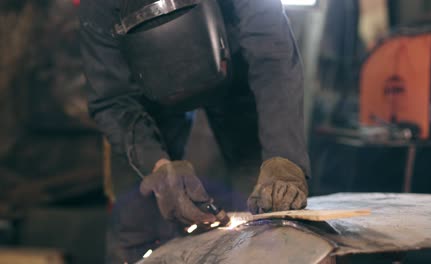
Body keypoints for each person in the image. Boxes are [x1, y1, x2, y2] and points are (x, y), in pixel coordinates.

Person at [80, 0, 310, 262]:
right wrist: (157, 166)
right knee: (140, 216)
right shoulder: (99, 7)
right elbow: (111, 99)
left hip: (236, 71)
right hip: (148, 96)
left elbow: (273, 56)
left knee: (270, 210)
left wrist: (283, 158)